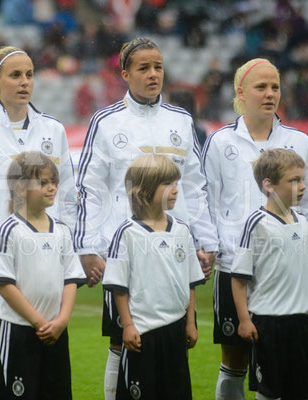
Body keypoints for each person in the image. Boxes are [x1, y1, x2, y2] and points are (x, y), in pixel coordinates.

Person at [74, 37, 217, 399]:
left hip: (173, 248)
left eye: (158, 67)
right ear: (125, 74)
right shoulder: (106, 122)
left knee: (174, 338)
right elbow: (89, 189)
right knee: (123, 341)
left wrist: (206, 241)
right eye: (143, 68)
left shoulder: (182, 121)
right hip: (127, 251)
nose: (154, 74)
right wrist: (89, 247)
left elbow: (197, 186)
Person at [0, 46, 78, 400]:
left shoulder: (53, 129)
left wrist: (74, 249)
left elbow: (67, 195)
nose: (24, 82)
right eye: (15, 75)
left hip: (46, 257)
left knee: (45, 342)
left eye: (29, 74)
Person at [202, 58, 308, 400]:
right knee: (235, 356)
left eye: (275, 86)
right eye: (261, 87)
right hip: (237, 266)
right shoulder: (220, 142)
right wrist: (212, 246)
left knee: (282, 360)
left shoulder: (298, 140)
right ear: (240, 92)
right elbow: (207, 200)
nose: (270, 93)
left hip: (287, 267)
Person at [102, 154, 205, 400]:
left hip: (176, 330)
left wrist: (190, 323)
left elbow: (190, 282)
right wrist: (127, 325)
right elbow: (119, 287)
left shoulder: (182, 230)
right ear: (144, 190)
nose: (175, 190)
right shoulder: (127, 233)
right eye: (168, 184)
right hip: (142, 331)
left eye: (176, 183)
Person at [0, 152, 85, 399]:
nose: (52, 187)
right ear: (21, 188)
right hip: (20, 330)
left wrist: (61, 321)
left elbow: (71, 279)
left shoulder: (62, 231)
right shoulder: (10, 229)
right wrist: (39, 322)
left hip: (56, 331)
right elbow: (4, 283)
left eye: (54, 181)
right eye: (43, 183)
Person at [231, 149, 308, 400]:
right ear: (269, 185)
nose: (303, 186)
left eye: (303, 179)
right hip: (269, 323)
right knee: (269, 391)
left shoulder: (302, 222)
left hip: (301, 322)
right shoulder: (256, 223)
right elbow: (239, 277)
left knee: (301, 391)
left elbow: (306, 269)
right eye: (294, 180)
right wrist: (244, 319)